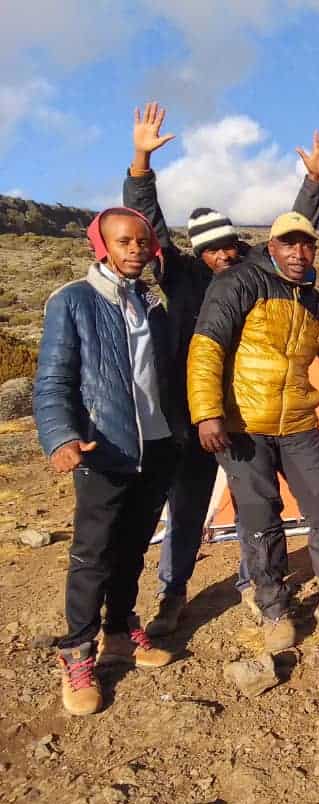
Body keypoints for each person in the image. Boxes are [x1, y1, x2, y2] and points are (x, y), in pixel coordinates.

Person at [121, 102, 319, 636]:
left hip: (249, 413)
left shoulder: (252, 273)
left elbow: (292, 237)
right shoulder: (180, 274)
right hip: (193, 411)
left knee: (253, 504)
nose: (223, 254)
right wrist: (141, 164)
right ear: (198, 252)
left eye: (229, 245)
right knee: (188, 506)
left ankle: (254, 585)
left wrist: (312, 184)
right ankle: (173, 594)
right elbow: (149, 223)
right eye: (212, 249)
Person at [187, 210, 319, 651]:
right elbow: (207, 346)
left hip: (299, 423)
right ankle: (274, 608)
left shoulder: (315, 302)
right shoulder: (239, 283)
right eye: (288, 243)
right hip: (244, 426)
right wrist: (207, 413)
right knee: (260, 516)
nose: (298, 252)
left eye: (306, 244)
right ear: (272, 248)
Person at [34, 208, 183, 715]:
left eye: (142, 241)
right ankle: (77, 651)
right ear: (101, 245)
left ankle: (119, 631)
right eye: (124, 241)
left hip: (156, 445)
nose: (135, 249)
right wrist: (61, 437)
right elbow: (53, 380)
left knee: (133, 547)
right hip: (105, 446)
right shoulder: (73, 300)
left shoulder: (149, 303)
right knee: (93, 553)